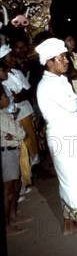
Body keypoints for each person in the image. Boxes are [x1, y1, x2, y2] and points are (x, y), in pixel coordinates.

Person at [34, 37, 77, 244]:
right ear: (49, 61)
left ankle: (68, 224)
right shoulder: (48, 85)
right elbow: (76, 105)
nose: (66, 60)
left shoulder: (58, 80)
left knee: (71, 182)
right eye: (62, 57)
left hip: (70, 136)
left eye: (65, 56)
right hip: (65, 139)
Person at [0, 44, 38, 194]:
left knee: (32, 145)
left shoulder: (16, 72)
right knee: (24, 147)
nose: (12, 59)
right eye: (9, 57)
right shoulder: (3, 80)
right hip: (16, 117)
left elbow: (27, 92)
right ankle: (21, 185)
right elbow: (11, 101)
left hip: (26, 111)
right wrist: (20, 95)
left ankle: (29, 177)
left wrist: (20, 96)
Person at [1, 84, 31, 236]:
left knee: (15, 186)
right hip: (6, 153)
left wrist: (16, 135)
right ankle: (7, 224)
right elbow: (20, 133)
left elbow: (19, 134)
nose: (8, 99)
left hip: (12, 151)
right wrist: (17, 135)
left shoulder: (5, 114)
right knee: (7, 191)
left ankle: (13, 216)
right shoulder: (1, 117)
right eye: (5, 97)